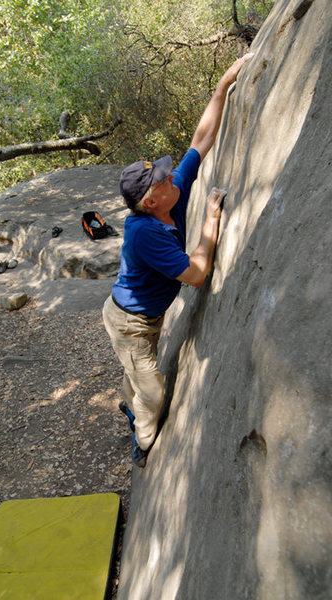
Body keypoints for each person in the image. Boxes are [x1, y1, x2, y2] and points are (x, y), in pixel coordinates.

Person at [103, 53, 253, 468]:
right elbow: (199, 275)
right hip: (129, 322)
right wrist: (210, 222)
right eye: (164, 179)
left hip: (144, 316)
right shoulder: (144, 233)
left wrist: (223, 86)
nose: (174, 177)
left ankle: (130, 396)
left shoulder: (170, 196)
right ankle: (143, 436)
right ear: (150, 200)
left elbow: (200, 141)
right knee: (152, 392)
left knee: (138, 368)